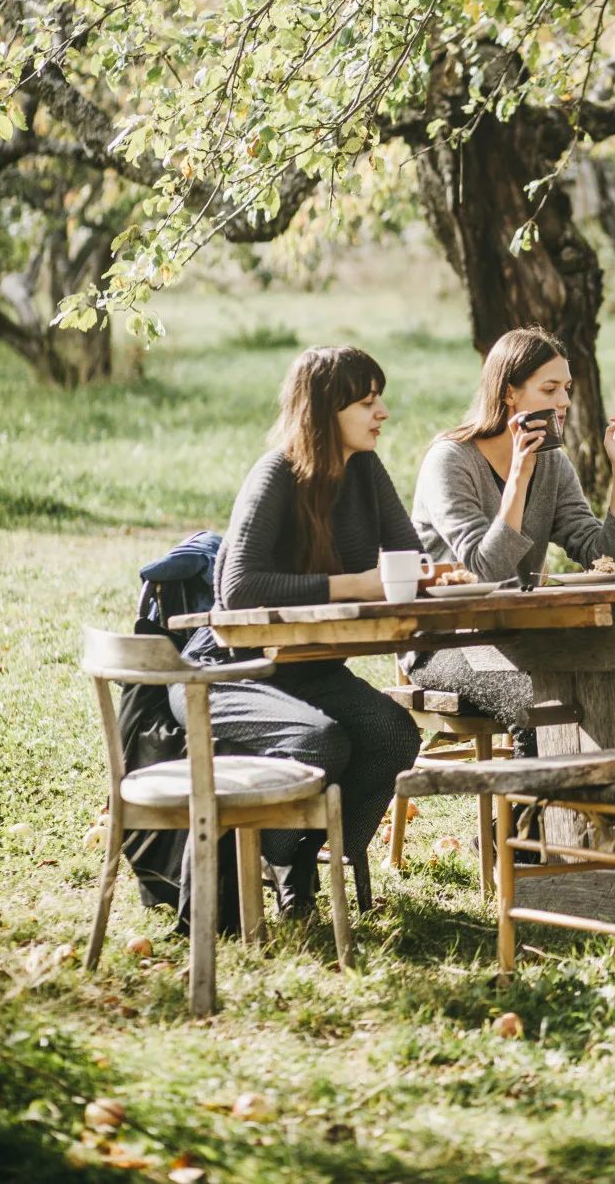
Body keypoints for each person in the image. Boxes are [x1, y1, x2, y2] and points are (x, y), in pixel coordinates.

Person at [170, 346, 422, 917]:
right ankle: (286, 861)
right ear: (326, 411)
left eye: (378, 398)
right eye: (367, 401)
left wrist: (426, 573)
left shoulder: (365, 468)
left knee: (392, 735)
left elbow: (406, 552)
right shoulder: (276, 474)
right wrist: (351, 586)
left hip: (309, 666)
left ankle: (298, 854)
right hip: (229, 669)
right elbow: (237, 587)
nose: (381, 412)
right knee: (321, 740)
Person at [410, 327, 615, 754]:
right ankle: (527, 821)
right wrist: (518, 476)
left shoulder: (552, 463)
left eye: (567, 388)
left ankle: (587, 812)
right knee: (542, 704)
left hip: (522, 637)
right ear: (509, 395)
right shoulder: (450, 461)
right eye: (550, 388)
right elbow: (488, 570)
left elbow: (602, 556)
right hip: (446, 643)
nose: (565, 402)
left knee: (607, 685)